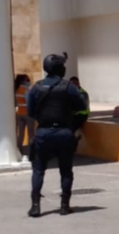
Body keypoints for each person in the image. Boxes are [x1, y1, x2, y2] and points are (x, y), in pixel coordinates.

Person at [25, 54, 88, 218]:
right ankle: (65, 205)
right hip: (64, 133)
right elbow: (81, 104)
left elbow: (30, 111)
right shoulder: (68, 87)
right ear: (61, 68)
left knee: (38, 170)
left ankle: (35, 206)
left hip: (43, 133)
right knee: (66, 171)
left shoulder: (36, 87)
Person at [14, 74, 31, 151]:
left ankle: (19, 149)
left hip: (19, 113)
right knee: (31, 134)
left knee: (21, 133)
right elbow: (29, 102)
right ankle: (31, 150)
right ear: (23, 81)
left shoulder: (16, 90)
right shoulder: (26, 90)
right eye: (27, 80)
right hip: (28, 113)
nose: (29, 81)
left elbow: (16, 103)